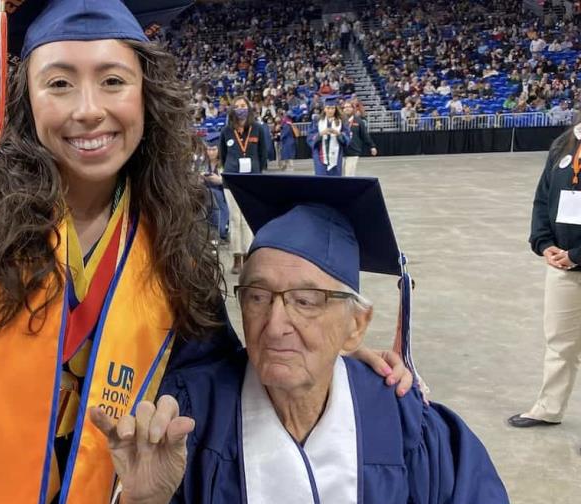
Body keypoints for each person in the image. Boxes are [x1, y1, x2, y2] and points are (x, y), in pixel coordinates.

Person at [0, 2, 409, 503]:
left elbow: (210, 374)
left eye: (112, 81)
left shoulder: (170, 234)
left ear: (145, 95)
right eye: (58, 84)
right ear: (23, 98)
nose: (88, 111)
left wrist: (328, 350)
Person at [92, 174, 510, 504]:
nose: (275, 324)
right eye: (257, 297)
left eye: (306, 301)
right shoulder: (190, 416)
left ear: (356, 326)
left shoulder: (404, 423)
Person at [509, 121, 581, 429]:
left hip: (573, 258)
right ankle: (549, 408)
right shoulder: (564, 143)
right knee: (559, 340)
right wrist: (544, 242)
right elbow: (542, 197)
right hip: (562, 265)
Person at [219, 95, 267, 274]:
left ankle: (249, 255)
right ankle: (237, 257)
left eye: (243, 105)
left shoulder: (258, 129)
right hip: (232, 179)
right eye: (237, 106)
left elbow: (263, 154)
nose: (240, 108)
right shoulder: (226, 131)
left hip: (252, 180)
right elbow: (223, 155)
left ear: (248, 107)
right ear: (232, 110)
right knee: (234, 219)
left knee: (247, 218)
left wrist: (257, 173)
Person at [308, 96, 351, 176]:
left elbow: (347, 138)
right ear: (324, 109)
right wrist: (320, 134)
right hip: (320, 156)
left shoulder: (342, 121)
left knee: (335, 181)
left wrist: (338, 134)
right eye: (328, 108)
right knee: (321, 180)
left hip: (336, 155)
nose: (330, 111)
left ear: (335, 109)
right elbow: (310, 137)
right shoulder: (317, 121)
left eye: (332, 108)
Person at [199, 132, 228, 242]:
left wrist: (220, 181)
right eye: (209, 149)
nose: (211, 152)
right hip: (205, 195)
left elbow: (230, 182)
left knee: (215, 194)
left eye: (214, 149)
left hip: (222, 195)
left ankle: (221, 229)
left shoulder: (225, 163)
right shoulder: (202, 163)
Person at [342, 100, 378, 176]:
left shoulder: (359, 121)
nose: (347, 109)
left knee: (349, 175)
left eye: (349, 107)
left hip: (353, 151)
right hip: (340, 151)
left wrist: (372, 146)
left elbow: (365, 135)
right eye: (345, 107)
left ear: (353, 108)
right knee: (339, 175)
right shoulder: (339, 121)